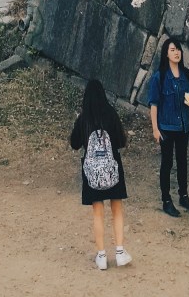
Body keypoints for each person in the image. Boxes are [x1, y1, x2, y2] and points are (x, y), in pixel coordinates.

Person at [69, 79, 132, 271]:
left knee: (98, 212)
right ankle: (120, 252)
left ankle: (102, 256)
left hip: (92, 173)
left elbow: (74, 143)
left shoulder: (84, 118)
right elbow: (121, 141)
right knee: (117, 208)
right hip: (112, 168)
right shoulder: (111, 114)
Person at [148, 37, 189, 217]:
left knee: (182, 161)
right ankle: (166, 200)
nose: (176, 52)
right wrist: (155, 129)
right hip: (166, 128)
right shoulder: (160, 77)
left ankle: (183, 196)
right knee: (167, 163)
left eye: (178, 49)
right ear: (166, 54)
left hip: (183, 127)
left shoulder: (187, 75)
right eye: (172, 49)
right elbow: (153, 104)